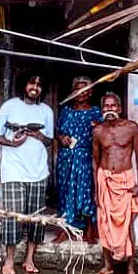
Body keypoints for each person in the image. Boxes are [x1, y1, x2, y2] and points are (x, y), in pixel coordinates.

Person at [0, 72, 55, 274]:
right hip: (13, 171)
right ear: (24, 85)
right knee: (12, 216)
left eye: (39, 84)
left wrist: (36, 134)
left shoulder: (46, 111)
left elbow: (49, 141)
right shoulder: (10, 106)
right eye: (31, 82)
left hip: (38, 171)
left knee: (35, 218)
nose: (35, 87)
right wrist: (12, 142)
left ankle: (29, 259)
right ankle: (9, 261)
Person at [91, 92, 138, 274]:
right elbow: (95, 161)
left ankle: (130, 268)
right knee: (104, 224)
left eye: (113, 106)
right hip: (105, 180)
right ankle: (107, 265)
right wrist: (96, 190)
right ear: (102, 109)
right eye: (106, 106)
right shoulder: (98, 131)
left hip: (126, 181)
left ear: (119, 109)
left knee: (128, 225)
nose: (110, 110)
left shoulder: (131, 128)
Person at [55, 77, 103, 243]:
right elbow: (57, 131)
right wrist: (62, 138)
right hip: (66, 158)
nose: (80, 93)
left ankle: (89, 231)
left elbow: (103, 135)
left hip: (85, 157)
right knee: (64, 192)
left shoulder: (95, 112)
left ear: (90, 92)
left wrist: (97, 127)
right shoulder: (66, 111)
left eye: (84, 90)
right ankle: (64, 230)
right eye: (77, 90)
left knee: (85, 194)